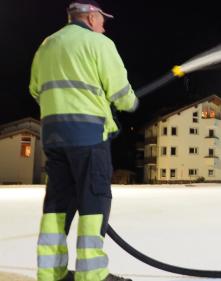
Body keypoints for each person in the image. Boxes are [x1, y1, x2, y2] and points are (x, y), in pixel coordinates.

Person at [29, 1, 138, 280]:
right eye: (102, 20)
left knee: (57, 204)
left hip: (53, 138)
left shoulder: (47, 46)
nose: (104, 25)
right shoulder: (99, 44)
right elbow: (121, 92)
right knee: (94, 203)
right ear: (90, 18)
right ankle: (92, 275)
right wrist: (131, 103)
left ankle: (50, 272)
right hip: (89, 138)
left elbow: (35, 90)